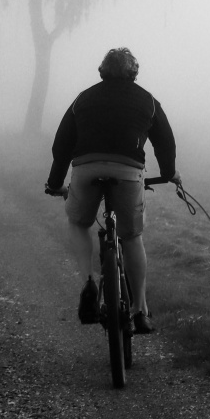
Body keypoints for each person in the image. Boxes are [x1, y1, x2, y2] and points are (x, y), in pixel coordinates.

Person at [45, 47, 180, 334]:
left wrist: (56, 182)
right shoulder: (148, 100)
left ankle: (88, 284)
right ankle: (140, 309)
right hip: (128, 170)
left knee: (79, 223)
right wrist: (169, 173)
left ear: (103, 70)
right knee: (132, 237)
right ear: (133, 72)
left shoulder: (83, 98)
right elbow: (165, 143)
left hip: (86, 168)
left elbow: (61, 145)